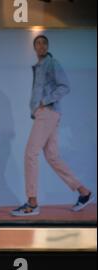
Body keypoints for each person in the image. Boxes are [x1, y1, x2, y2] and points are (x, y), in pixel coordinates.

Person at [12, 35, 93, 216]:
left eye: (43, 43)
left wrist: (44, 101)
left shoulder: (52, 63)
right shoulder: (40, 66)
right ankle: (84, 192)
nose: (40, 46)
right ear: (34, 48)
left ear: (47, 47)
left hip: (47, 112)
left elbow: (65, 86)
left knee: (30, 154)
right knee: (52, 157)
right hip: (47, 113)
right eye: (37, 44)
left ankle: (32, 203)